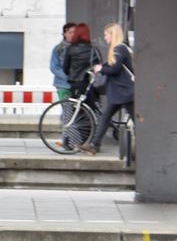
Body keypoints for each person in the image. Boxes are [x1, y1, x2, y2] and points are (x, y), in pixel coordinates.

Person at [80, 23, 134, 155]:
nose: (105, 38)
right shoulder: (118, 49)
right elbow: (112, 65)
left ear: (112, 34)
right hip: (120, 92)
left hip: (124, 92)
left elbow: (114, 69)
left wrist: (101, 69)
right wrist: (101, 67)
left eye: (106, 34)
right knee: (105, 117)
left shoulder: (119, 49)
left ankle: (146, 144)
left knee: (136, 119)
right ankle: (94, 145)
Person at [63, 22, 99, 102]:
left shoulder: (70, 49)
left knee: (76, 107)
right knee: (91, 107)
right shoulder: (93, 49)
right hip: (89, 83)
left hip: (74, 83)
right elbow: (98, 67)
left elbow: (65, 68)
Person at [51, 22, 77, 101]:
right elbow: (54, 67)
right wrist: (68, 77)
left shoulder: (79, 47)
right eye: (70, 32)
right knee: (67, 110)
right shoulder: (58, 48)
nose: (72, 35)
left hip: (77, 85)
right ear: (64, 34)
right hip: (63, 85)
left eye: (74, 33)